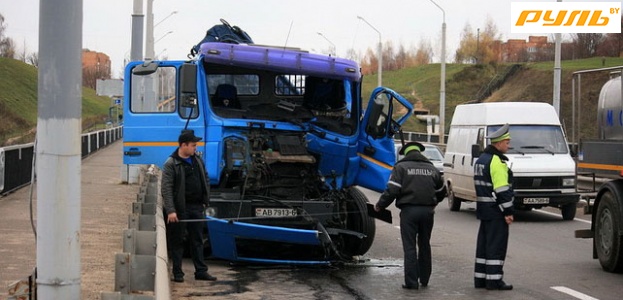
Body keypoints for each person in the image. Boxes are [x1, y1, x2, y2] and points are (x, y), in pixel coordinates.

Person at [375, 141, 446, 290]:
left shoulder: (401, 168)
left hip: (409, 212)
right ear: (420, 153)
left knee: (410, 247)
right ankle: (425, 279)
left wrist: (380, 205)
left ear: (406, 153)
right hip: (428, 212)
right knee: (425, 244)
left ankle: (412, 283)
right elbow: (441, 192)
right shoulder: (432, 169)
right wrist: (434, 203)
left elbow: (392, 190)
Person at [161, 130, 217, 283]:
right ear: (183, 145)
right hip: (180, 209)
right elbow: (166, 189)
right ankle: (178, 274)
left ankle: (201, 271)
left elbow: (205, 177)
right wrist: (171, 211)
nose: (195, 147)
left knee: (197, 240)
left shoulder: (197, 159)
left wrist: (206, 197)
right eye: (193, 145)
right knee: (177, 241)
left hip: (197, 206)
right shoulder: (171, 163)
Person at [473, 123, 514, 290]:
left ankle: (481, 279)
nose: (509, 145)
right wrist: (508, 211)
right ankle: (494, 280)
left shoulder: (481, 159)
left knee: (483, 247)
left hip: (484, 209)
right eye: (507, 142)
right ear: (498, 143)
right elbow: (501, 190)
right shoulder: (496, 161)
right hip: (496, 211)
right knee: (496, 247)